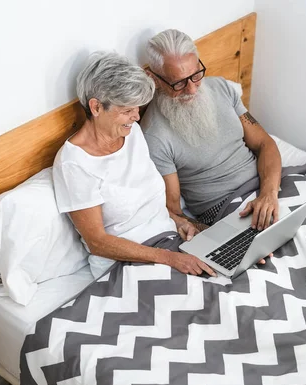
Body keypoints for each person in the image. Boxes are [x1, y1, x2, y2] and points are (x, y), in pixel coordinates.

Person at [52, 51, 216, 279]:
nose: (137, 117)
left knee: (236, 270)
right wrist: (170, 258)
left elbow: (148, 204)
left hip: (169, 241)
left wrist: (178, 221)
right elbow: (97, 242)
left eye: (137, 108)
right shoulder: (75, 163)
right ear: (96, 107)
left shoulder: (132, 133)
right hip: (126, 264)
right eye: (127, 110)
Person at [141, 29, 282, 232]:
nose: (191, 89)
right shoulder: (154, 135)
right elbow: (173, 211)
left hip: (269, 185)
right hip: (228, 208)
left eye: (196, 75)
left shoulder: (222, 88)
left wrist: (268, 194)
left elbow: (265, 143)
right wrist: (211, 235)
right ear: (154, 79)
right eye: (179, 83)